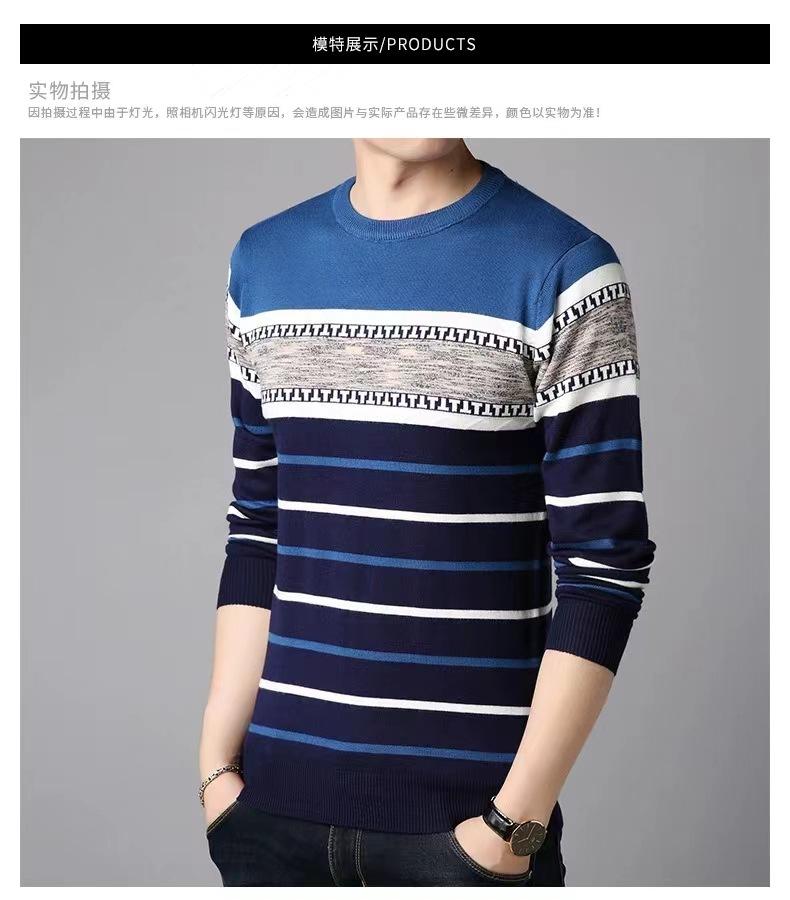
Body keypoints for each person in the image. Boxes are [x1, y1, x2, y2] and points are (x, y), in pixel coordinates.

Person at [198, 138, 656, 887]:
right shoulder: (265, 263)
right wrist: (217, 769)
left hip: (468, 835)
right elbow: (258, 527)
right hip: (270, 818)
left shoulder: (564, 270)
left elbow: (604, 567)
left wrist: (511, 826)